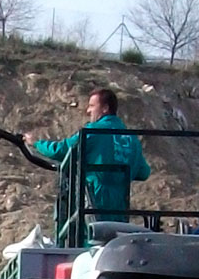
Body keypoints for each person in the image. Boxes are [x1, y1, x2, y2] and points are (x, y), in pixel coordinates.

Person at [23, 88, 150, 222]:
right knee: (115, 239)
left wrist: (36, 143)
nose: (88, 111)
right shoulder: (132, 139)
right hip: (120, 205)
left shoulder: (94, 131)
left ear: (105, 108)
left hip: (95, 197)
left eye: (91, 106)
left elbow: (61, 150)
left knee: (91, 238)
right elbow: (144, 172)